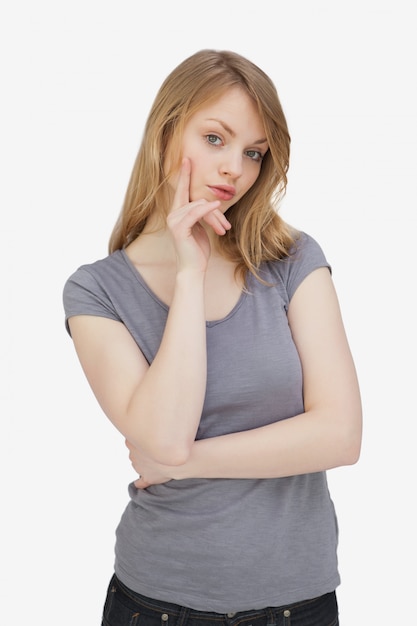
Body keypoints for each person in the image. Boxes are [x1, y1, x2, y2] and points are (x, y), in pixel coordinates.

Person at [63, 49, 362, 626]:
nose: (235, 169)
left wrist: (185, 464)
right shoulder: (96, 292)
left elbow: (340, 435)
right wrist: (187, 272)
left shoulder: (291, 260)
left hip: (298, 604)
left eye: (253, 153)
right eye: (216, 139)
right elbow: (163, 436)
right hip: (156, 603)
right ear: (166, 132)